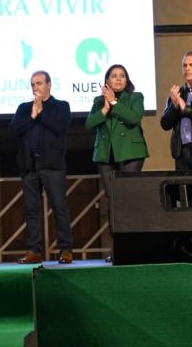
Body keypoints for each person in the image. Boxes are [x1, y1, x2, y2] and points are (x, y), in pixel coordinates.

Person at [9, 71, 73, 265]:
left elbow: (59, 127)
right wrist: (32, 115)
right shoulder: (24, 108)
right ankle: (34, 250)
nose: (35, 87)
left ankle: (66, 249)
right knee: (31, 210)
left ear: (49, 85)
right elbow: (14, 130)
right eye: (32, 84)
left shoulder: (60, 106)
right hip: (29, 166)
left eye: (39, 83)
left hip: (52, 166)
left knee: (59, 208)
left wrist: (42, 112)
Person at [85, 64, 149, 249]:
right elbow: (89, 124)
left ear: (127, 80)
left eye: (122, 75)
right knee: (112, 201)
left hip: (131, 154)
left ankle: (133, 246)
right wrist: (105, 109)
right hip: (106, 155)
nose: (119, 78)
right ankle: (118, 247)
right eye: (114, 76)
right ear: (107, 81)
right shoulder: (98, 101)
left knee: (128, 198)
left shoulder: (136, 97)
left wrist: (114, 103)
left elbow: (134, 118)